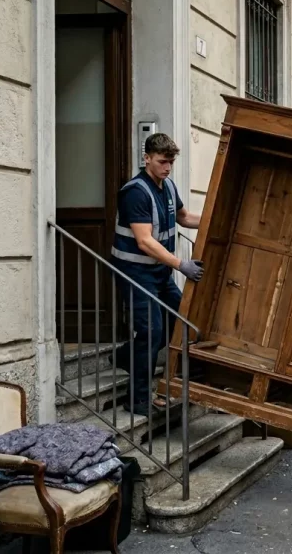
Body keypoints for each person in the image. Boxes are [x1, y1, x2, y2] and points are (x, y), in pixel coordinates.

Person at [111, 133, 205, 416]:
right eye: (162, 162)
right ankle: (138, 400)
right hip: (135, 273)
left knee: (182, 323)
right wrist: (181, 264)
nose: (167, 167)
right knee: (152, 331)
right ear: (147, 158)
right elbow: (144, 241)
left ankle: (126, 356)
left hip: (159, 272)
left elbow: (184, 218)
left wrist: (216, 217)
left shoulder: (167, 186)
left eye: (171, 162)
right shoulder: (136, 192)